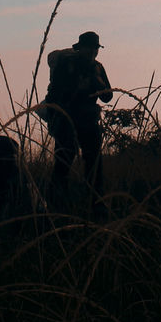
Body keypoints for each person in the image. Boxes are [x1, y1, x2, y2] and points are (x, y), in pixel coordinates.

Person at [43, 31, 113, 199]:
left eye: (95, 48)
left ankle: (95, 200)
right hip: (67, 119)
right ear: (80, 48)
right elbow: (56, 93)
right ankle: (57, 199)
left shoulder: (98, 67)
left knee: (94, 162)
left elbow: (107, 96)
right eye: (90, 47)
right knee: (64, 160)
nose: (93, 51)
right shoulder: (67, 64)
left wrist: (98, 82)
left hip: (89, 120)